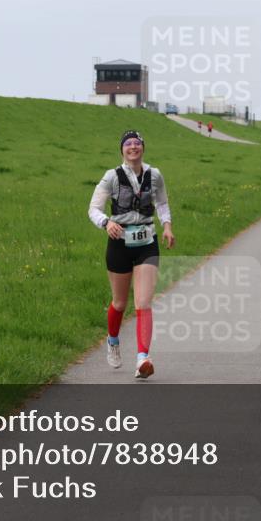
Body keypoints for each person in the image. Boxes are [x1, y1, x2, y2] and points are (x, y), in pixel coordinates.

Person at [88, 130, 175, 379]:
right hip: (119, 243)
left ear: (143, 148)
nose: (133, 147)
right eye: (128, 144)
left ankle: (142, 359)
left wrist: (167, 226)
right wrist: (106, 223)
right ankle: (113, 340)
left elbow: (162, 203)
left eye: (137, 143)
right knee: (119, 303)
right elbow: (93, 209)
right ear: (122, 150)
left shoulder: (154, 175)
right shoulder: (112, 177)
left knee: (143, 303)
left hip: (147, 242)